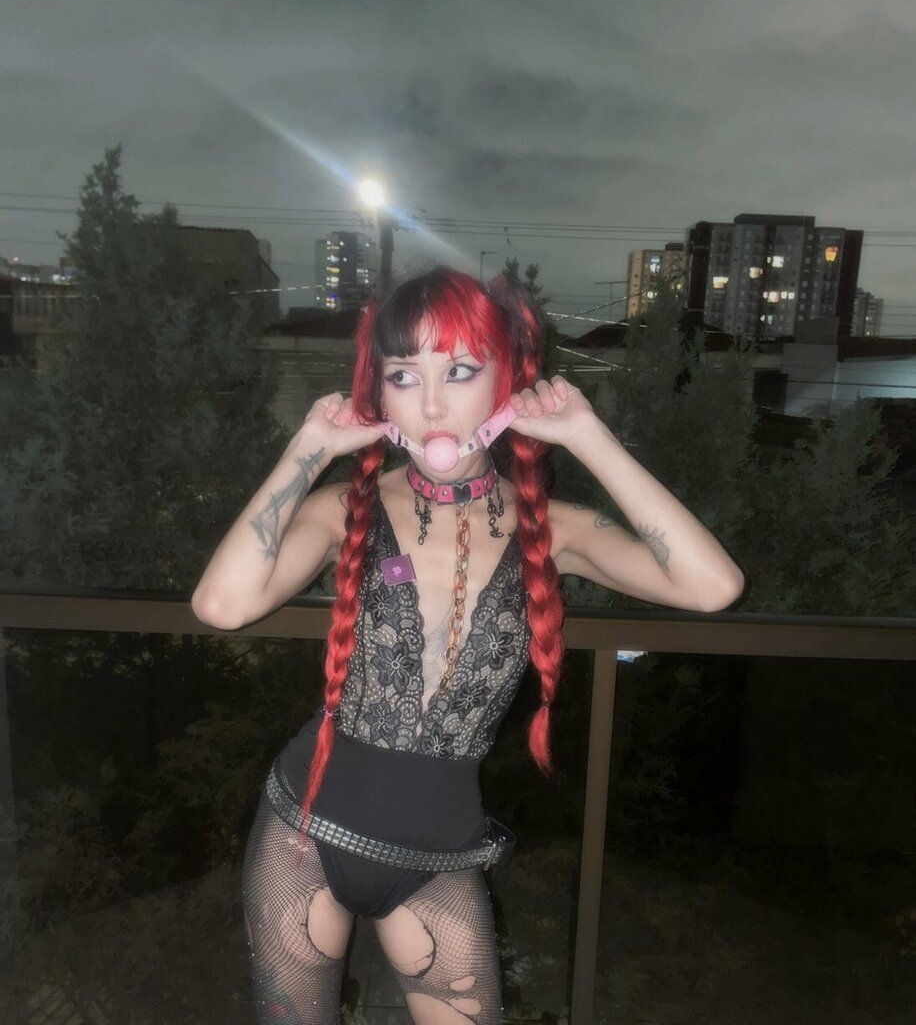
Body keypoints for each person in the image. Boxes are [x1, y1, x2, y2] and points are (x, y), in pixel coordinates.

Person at [191, 266, 744, 1024]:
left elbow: (713, 585)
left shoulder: (555, 530)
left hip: (438, 858)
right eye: (402, 375)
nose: (430, 405)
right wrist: (308, 448)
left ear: (505, 379)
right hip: (303, 834)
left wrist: (588, 435)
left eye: (458, 371)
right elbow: (221, 605)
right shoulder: (344, 508)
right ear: (378, 392)